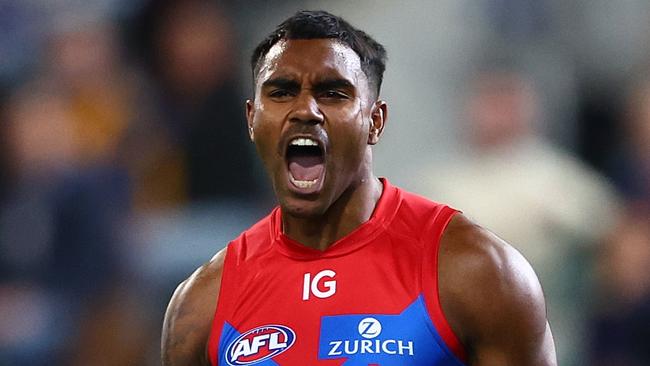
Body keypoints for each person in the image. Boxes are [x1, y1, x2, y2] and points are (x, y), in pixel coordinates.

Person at [162, 10, 557, 365]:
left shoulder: (477, 272)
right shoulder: (202, 305)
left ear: (376, 121)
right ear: (251, 120)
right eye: (281, 92)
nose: (305, 111)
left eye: (333, 92)